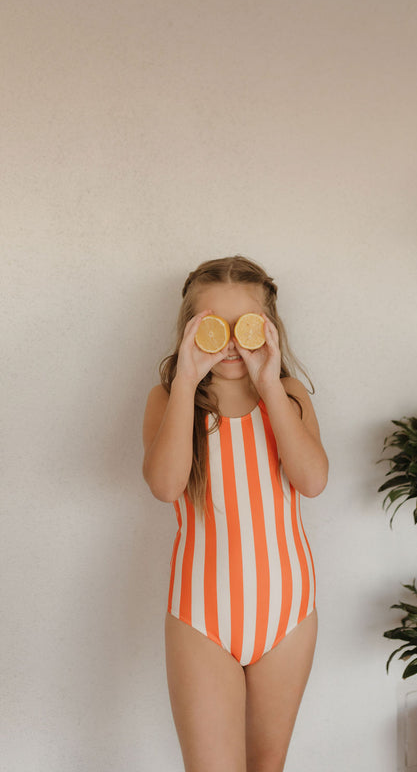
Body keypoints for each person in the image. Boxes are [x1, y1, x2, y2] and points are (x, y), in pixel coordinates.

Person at [142, 255, 328, 772]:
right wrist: (184, 382)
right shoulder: (168, 400)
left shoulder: (287, 397)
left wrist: (269, 383)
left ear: (268, 331)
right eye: (212, 327)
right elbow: (164, 486)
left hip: (288, 614)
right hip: (201, 617)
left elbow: (313, 482)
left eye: (244, 328)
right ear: (188, 331)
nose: (229, 342)